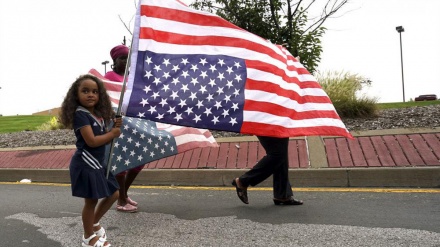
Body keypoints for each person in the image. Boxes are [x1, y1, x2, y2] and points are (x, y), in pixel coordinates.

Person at [60, 74, 122, 247]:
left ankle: (93, 223)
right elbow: (92, 141)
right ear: (76, 95)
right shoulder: (80, 115)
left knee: (114, 193)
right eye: (85, 91)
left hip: (98, 164)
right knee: (91, 201)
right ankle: (88, 237)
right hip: (85, 164)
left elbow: (106, 135)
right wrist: (112, 134)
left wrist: (115, 127)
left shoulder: (98, 115)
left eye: (95, 91)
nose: (91, 95)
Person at [104, 44, 145, 213]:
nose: (126, 62)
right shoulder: (109, 76)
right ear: (114, 61)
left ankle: (124, 193)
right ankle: (120, 200)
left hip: (134, 123)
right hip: (118, 125)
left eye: (128, 58)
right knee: (122, 162)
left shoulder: (131, 77)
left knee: (139, 161)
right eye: (122, 58)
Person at [231, 136, 303, 206]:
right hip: (270, 125)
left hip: (278, 125)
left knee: (281, 154)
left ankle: (282, 195)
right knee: (277, 154)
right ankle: (243, 181)